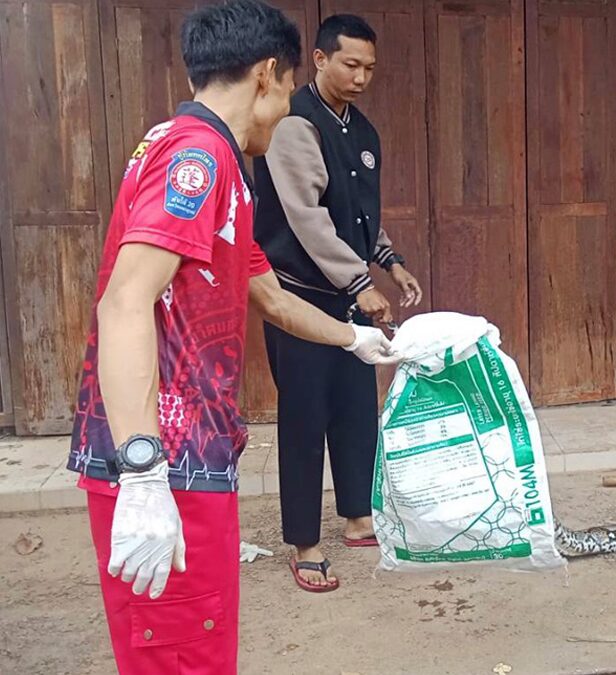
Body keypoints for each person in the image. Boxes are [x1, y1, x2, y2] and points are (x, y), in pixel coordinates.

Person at [65, 1, 402, 671]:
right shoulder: (197, 156)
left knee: (201, 647)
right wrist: (142, 471)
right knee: (181, 657)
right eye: (286, 94)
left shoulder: (222, 163)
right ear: (266, 75)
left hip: (195, 454)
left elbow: (269, 293)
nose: (285, 114)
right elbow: (125, 300)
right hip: (164, 459)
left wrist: (352, 339)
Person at [251, 13, 422, 592]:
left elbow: (357, 215)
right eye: (350, 64)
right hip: (300, 297)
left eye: (370, 68)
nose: (360, 77)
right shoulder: (293, 125)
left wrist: (391, 263)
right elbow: (306, 217)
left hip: (347, 297)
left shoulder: (363, 132)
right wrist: (358, 283)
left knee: (354, 409)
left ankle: (357, 517)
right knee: (304, 417)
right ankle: (305, 541)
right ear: (321, 59)